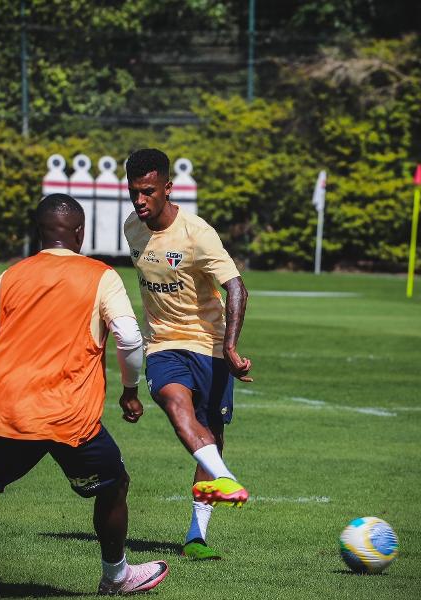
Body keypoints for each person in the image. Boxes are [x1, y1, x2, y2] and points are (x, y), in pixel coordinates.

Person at [0, 194, 169, 595]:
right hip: (68, 414)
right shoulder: (100, 275)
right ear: (79, 232)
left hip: (9, 410)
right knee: (114, 485)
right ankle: (116, 577)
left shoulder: (10, 275)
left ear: (38, 232)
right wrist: (130, 390)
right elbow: (130, 337)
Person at [124, 149, 252, 561]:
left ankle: (196, 537)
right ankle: (226, 477)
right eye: (133, 192)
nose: (140, 201)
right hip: (162, 344)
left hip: (210, 346)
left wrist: (230, 346)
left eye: (147, 192)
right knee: (177, 403)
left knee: (212, 435)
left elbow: (237, 287)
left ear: (167, 188)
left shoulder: (197, 233)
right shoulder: (133, 228)